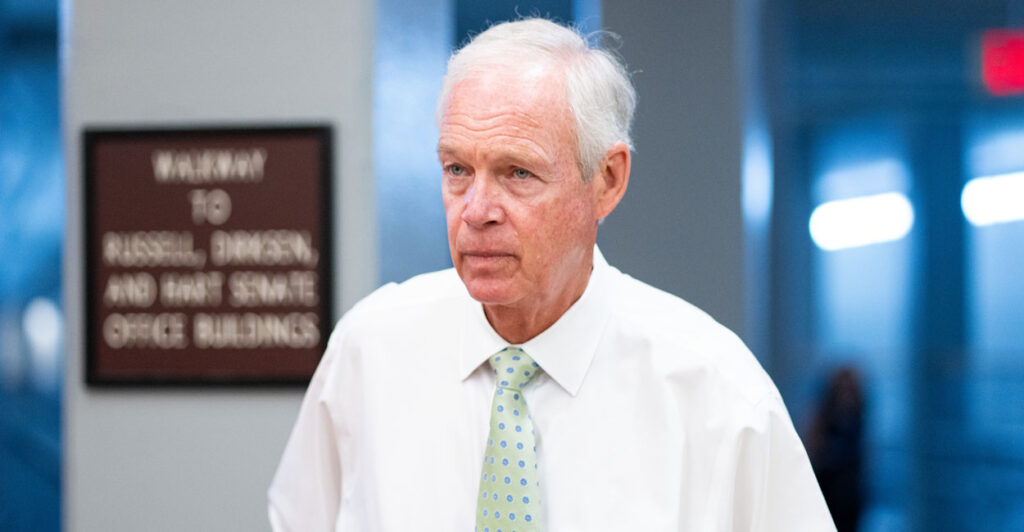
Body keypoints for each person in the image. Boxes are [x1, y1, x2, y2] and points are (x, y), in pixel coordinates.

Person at [268, 17, 835, 531]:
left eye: (517, 172)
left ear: (607, 180)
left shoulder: (716, 393)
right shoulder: (371, 351)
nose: (476, 210)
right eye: (457, 169)